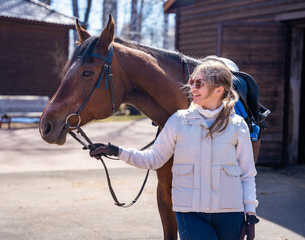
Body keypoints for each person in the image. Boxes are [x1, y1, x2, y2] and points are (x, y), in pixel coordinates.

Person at [89, 60, 259, 240]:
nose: (192, 87)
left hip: (231, 214)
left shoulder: (238, 125)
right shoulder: (178, 121)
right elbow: (153, 159)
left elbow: (247, 174)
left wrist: (251, 214)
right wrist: (116, 151)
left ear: (219, 90)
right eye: (192, 81)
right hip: (190, 213)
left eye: (199, 83)